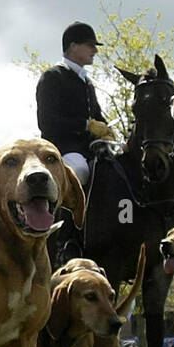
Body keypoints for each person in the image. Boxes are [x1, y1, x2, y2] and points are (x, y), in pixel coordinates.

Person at [36, 22, 113, 262]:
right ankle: (65, 239)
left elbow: (97, 116)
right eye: (90, 45)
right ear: (73, 46)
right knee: (78, 170)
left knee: (115, 171)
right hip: (61, 149)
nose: (95, 51)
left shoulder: (86, 82)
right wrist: (85, 125)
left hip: (88, 149)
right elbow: (46, 122)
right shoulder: (52, 77)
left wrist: (108, 131)